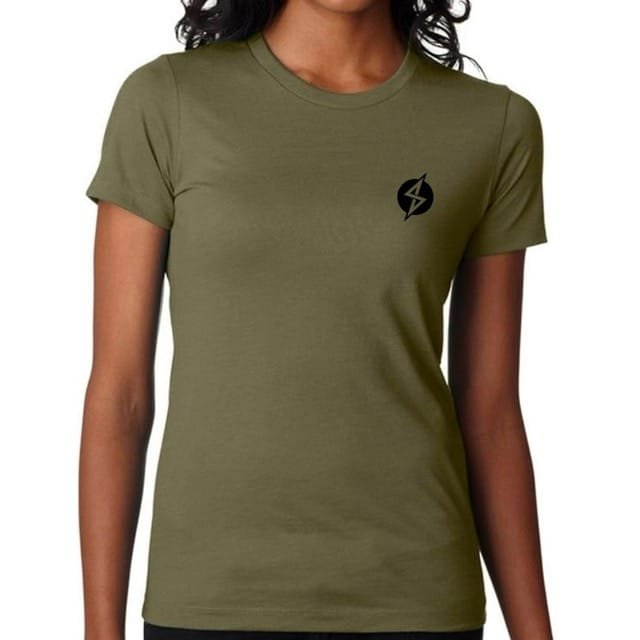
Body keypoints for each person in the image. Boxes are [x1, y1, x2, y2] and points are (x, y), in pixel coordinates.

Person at [79, 1, 554, 640]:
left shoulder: (492, 125)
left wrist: (535, 632)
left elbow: (491, 413)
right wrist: (99, 630)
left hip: (417, 597)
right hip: (211, 597)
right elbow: (120, 396)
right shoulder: (168, 101)